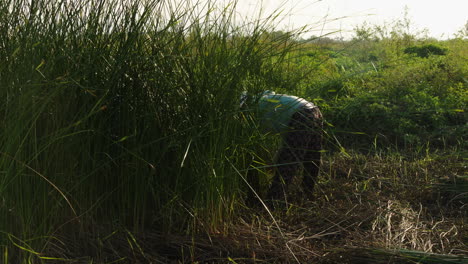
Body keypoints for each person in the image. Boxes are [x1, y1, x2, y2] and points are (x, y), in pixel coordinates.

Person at [240, 90, 323, 202]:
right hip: (313, 109)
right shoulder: (263, 97)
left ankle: (273, 201)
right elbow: (287, 140)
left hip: (301, 114)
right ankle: (307, 193)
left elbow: (254, 150)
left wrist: (275, 162)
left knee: (287, 164)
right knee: (312, 156)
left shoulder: (254, 112)